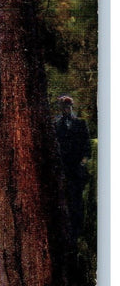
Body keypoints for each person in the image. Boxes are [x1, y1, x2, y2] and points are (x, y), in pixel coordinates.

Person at [54, 95, 91, 242]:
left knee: (77, 201)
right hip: (64, 170)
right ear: (60, 108)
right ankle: (66, 234)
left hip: (77, 170)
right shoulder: (56, 125)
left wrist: (82, 162)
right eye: (63, 107)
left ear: (71, 107)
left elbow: (87, 147)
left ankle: (78, 232)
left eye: (68, 107)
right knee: (65, 200)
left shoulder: (80, 124)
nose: (66, 109)